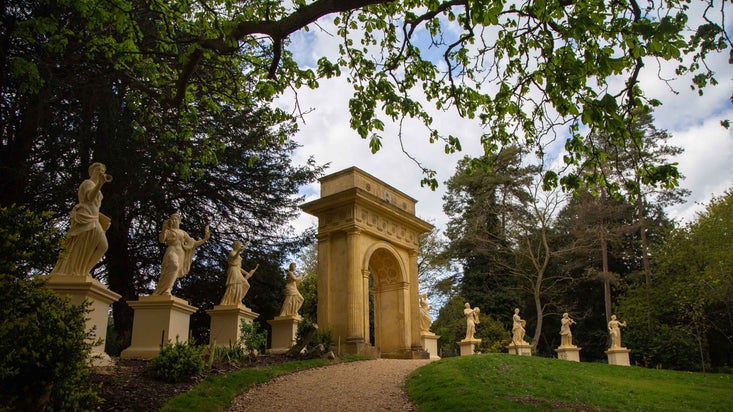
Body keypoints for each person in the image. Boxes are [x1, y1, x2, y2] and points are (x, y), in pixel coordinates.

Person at [51, 162, 112, 277]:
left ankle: (84, 270)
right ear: (91, 171)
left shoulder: (96, 186)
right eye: (98, 170)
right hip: (85, 217)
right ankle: (76, 270)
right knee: (81, 245)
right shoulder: (88, 183)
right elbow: (89, 198)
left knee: (103, 246)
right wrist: (100, 184)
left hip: (93, 218)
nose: (101, 172)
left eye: (102, 171)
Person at [152, 213, 210, 296]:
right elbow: (161, 240)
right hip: (172, 250)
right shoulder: (168, 231)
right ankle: (163, 289)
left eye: (176, 219)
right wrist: (164, 229)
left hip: (181, 253)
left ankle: (167, 290)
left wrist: (205, 239)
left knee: (174, 271)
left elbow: (193, 243)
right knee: (174, 266)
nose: (174, 220)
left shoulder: (183, 233)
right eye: (172, 219)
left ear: (179, 221)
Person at [219, 241, 259, 306]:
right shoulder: (232, 253)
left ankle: (237, 300)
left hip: (237, 270)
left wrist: (246, 273)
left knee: (246, 285)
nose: (241, 246)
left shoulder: (238, 254)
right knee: (234, 285)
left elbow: (239, 267)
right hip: (233, 270)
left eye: (241, 245)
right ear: (236, 246)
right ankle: (229, 301)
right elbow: (234, 257)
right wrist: (238, 252)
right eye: (240, 245)